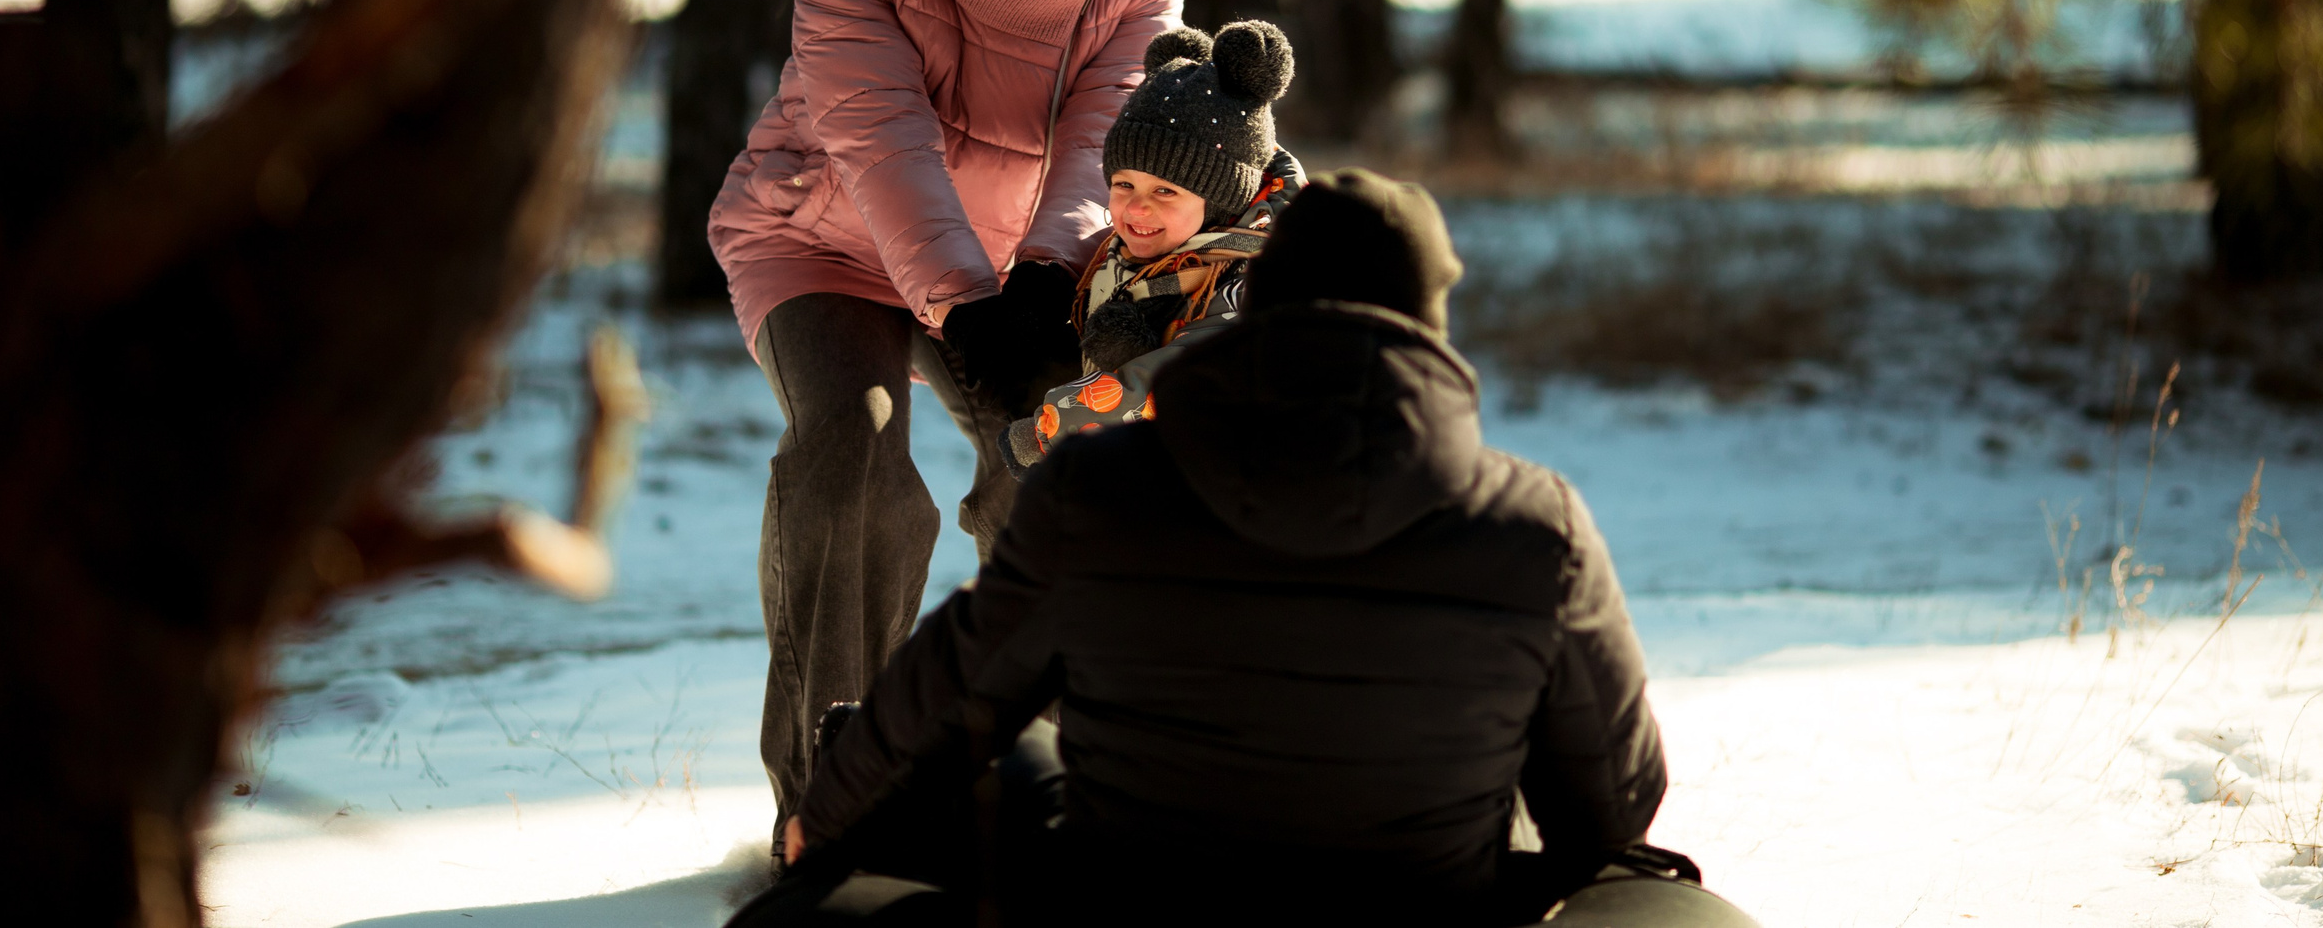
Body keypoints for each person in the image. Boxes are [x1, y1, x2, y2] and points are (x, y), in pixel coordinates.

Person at [736, 170, 1762, 927]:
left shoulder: (1095, 491)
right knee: (1672, 911)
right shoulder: (1535, 525)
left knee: (999, 769)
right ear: (1426, 325)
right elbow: (1612, 810)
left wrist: (823, 819)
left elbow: (945, 699)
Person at [707, 0, 1181, 850]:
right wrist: (961, 304)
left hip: (1019, 263)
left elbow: (1103, 144)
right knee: (852, 452)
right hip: (822, 238)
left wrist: (1044, 278)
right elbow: (873, 133)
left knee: (1056, 451)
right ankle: (829, 796)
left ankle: (1063, 785)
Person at [1005, 19, 1303, 467]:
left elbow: (1181, 381)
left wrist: (1048, 432)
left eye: (1165, 191)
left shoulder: (1259, 275)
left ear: (1223, 202)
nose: (1137, 209)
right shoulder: (1150, 247)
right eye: (1123, 184)